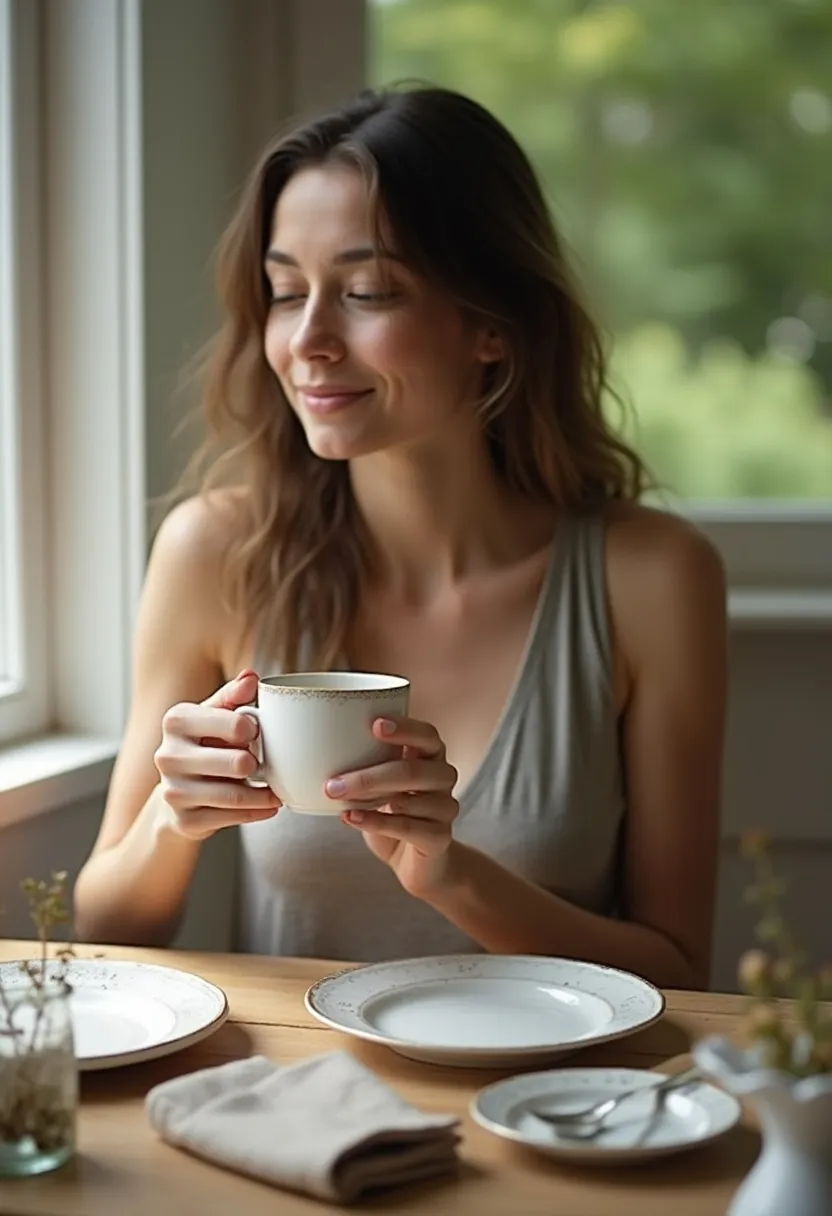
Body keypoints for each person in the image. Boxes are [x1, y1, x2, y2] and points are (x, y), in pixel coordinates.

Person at [74, 86, 726, 989]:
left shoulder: (653, 577)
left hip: (551, 1112)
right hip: (296, 1116)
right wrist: (170, 820)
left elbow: (681, 969)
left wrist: (453, 877)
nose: (309, 340)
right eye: (285, 292)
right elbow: (103, 926)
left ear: (492, 324)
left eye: (367, 291)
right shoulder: (212, 554)